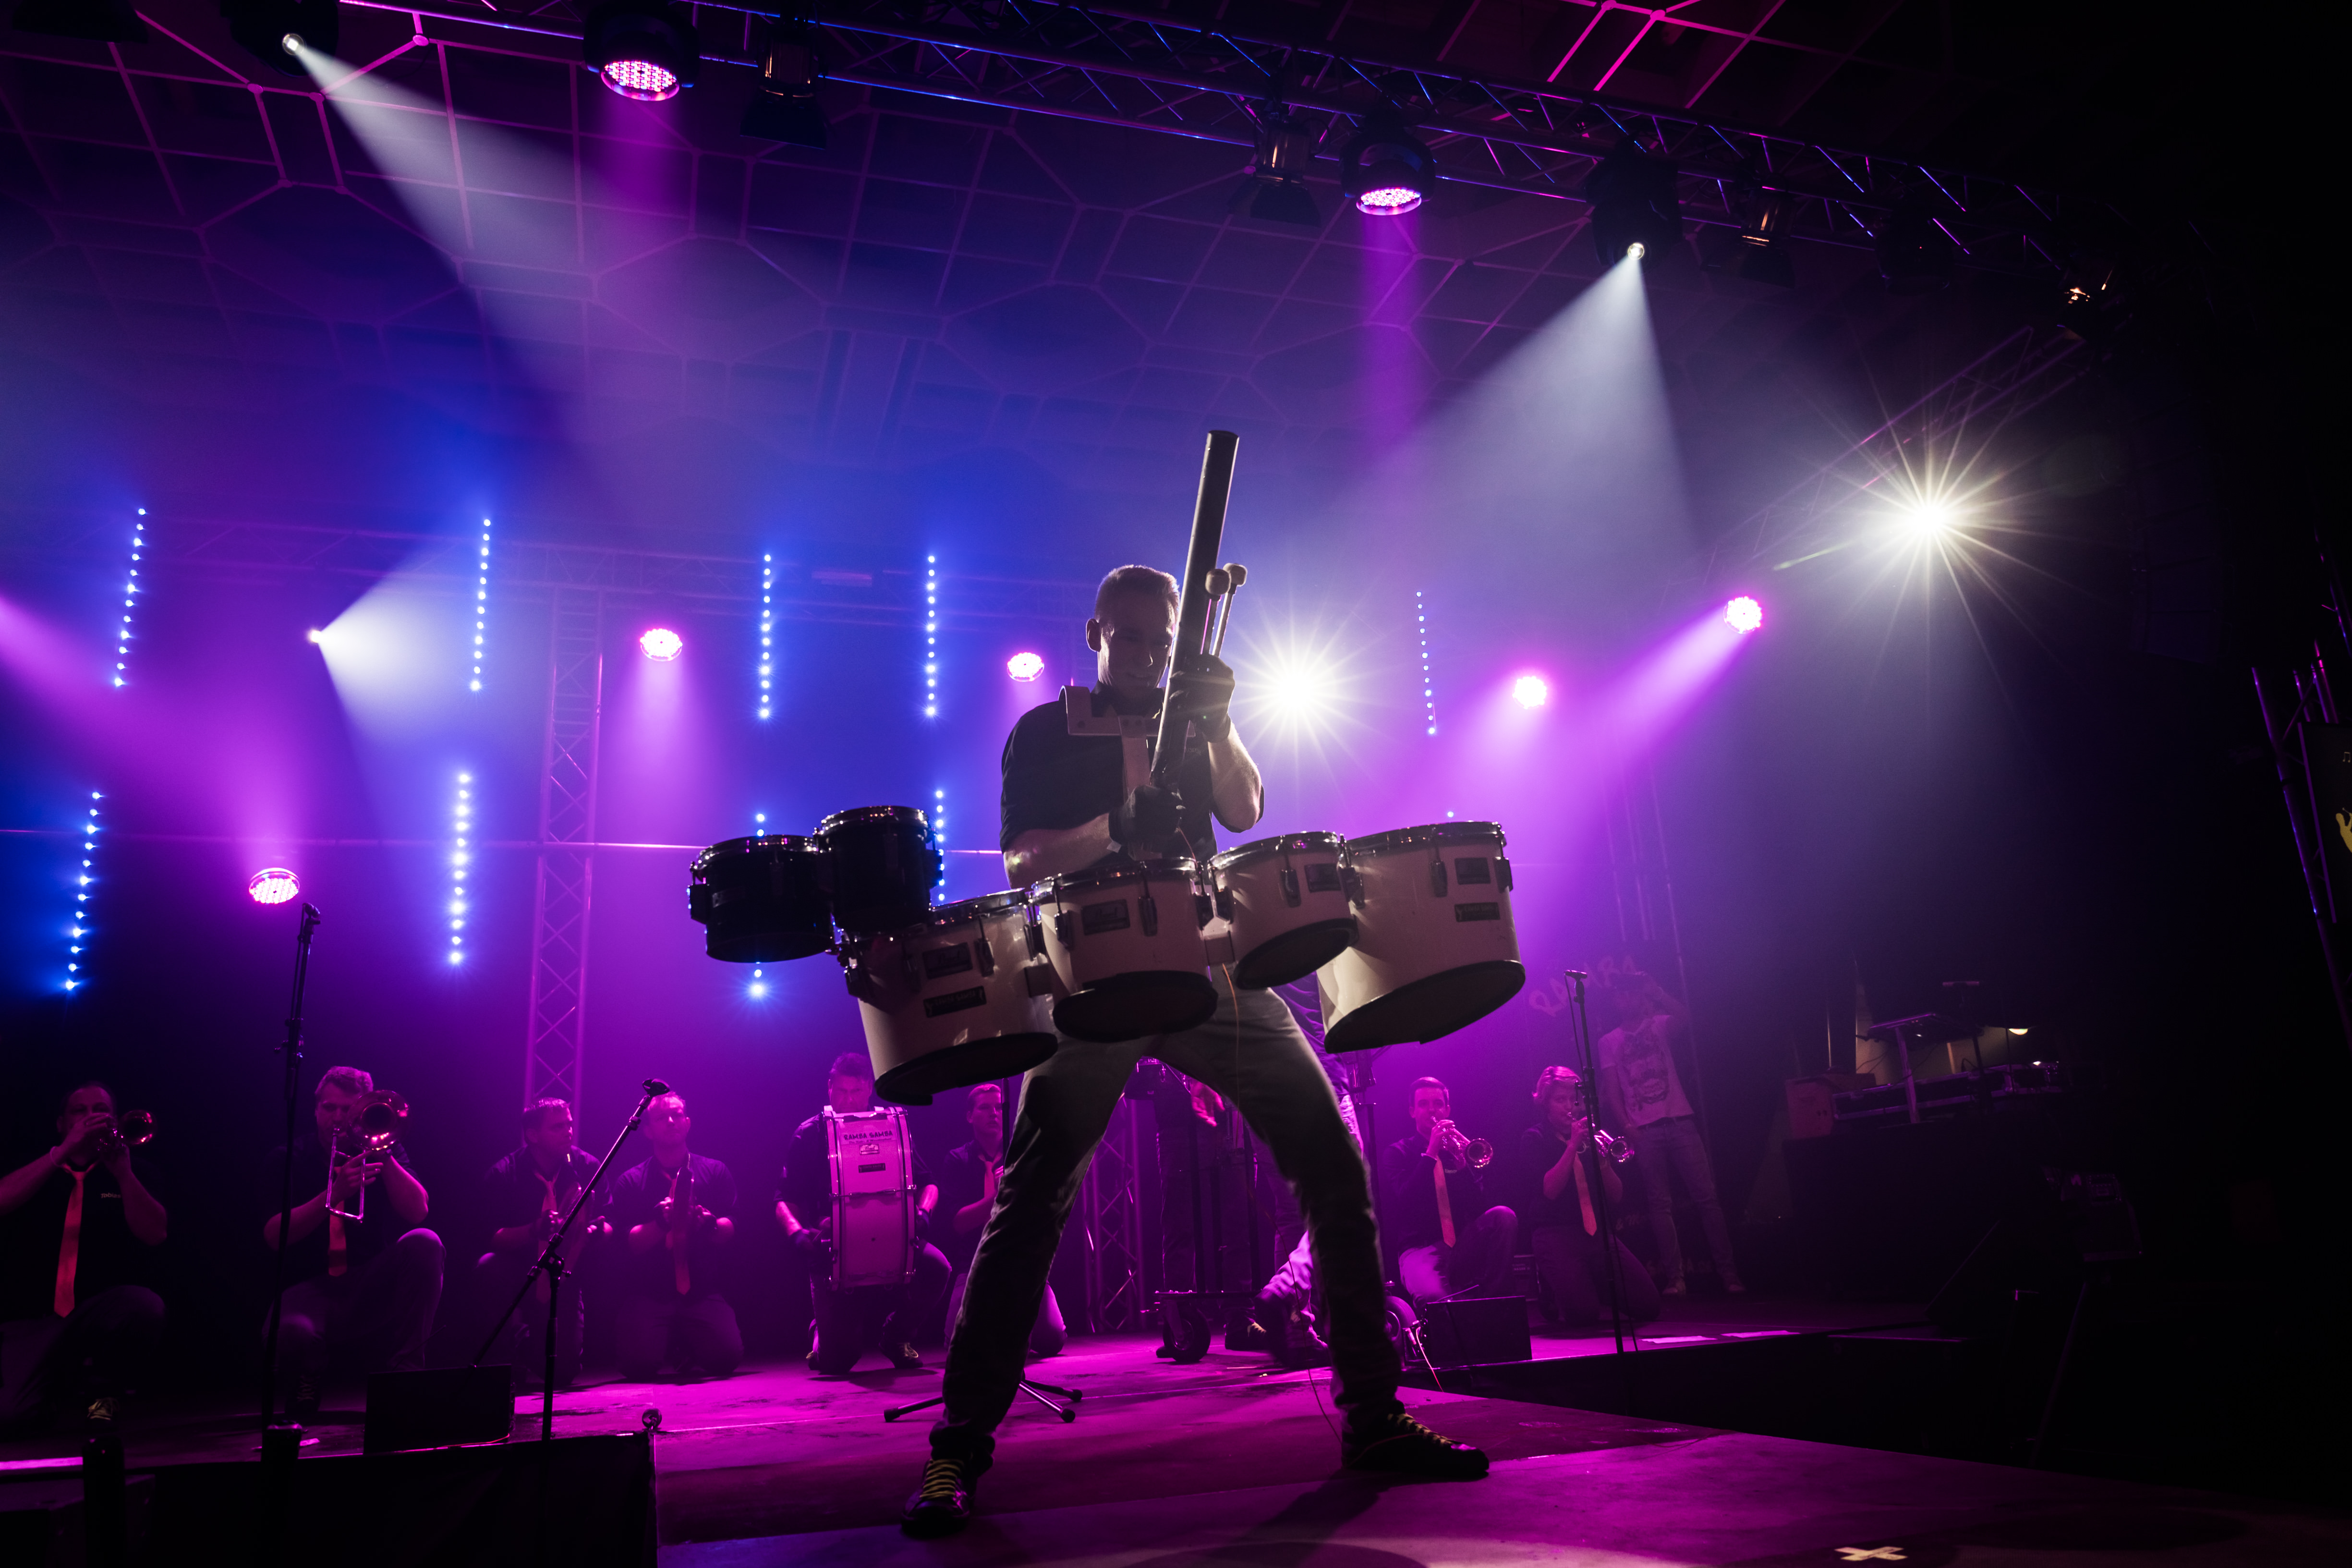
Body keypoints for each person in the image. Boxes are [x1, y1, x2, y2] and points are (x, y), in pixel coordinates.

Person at [903, 564, 1487, 1538]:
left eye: (1159, 639)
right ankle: (957, 1445)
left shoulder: (1190, 718)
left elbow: (1246, 808)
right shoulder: (1045, 730)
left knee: (1332, 1161)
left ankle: (1372, 1414)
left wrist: (1217, 721)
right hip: (1091, 979)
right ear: (1094, 634)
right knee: (1031, 1200)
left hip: (1209, 968)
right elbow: (1021, 858)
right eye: (1128, 637)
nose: (1144, 654)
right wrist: (1113, 828)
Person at [260, 1066, 443, 1422]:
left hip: (365, 1279)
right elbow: (273, 1235)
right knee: (290, 1333)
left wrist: (382, 1150)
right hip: (308, 1287)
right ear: (316, 1109)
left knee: (425, 1242)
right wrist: (334, 1192)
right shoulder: (288, 1157)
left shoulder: (386, 1151)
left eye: (348, 1110)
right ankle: (307, 1375)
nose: (338, 1118)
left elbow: (419, 1211)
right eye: (329, 1108)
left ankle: (406, 1377)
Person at [0, 1084, 167, 1432]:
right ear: (62, 1124)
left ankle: (104, 1392)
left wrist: (123, 1174)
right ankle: (56, 1390)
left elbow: (155, 1234)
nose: (92, 1117)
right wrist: (62, 1153)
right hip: (32, 1320)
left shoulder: (136, 1171)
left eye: (100, 1109)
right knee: (11, 1414)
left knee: (144, 1305)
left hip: (95, 1312)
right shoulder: (36, 1168)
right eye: (80, 1110)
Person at [776, 1053, 951, 1374]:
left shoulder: (891, 1127)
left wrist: (923, 1213)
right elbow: (783, 1199)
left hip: (892, 1239)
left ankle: (896, 1337)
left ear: (869, 1088)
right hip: (835, 1249)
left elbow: (929, 1183)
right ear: (829, 1087)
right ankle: (821, 1332)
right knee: (837, 1363)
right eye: (841, 1091)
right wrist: (797, 1233)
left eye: (856, 1091)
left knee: (938, 1268)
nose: (848, 1100)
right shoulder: (809, 1134)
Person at [1592, 959, 1743, 1296]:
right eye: (1620, 995)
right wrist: (1627, 1125)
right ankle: (1676, 1279)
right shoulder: (1609, 1041)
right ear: (1615, 1001)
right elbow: (1612, 1090)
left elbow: (1685, 1016)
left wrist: (1656, 991)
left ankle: (1729, 1274)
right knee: (1660, 1205)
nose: (1625, 999)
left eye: (1630, 993)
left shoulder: (1658, 1024)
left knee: (1707, 1199)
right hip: (1644, 1130)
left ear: (1638, 996)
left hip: (1680, 1121)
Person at [607, 1092, 742, 1382]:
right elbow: (628, 1243)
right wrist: (660, 1224)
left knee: (726, 1358)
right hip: (651, 1291)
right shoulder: (631, 1181)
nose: (671, 1122)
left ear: (688, 1123)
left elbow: (733, 1226)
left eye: (677, 1115)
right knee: (637, 1365)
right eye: (661, 1118)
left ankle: (688, 1346)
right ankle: (671, 1345)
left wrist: (709, 1225)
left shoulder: (714, 1171)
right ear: (647, 1131)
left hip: (700, 1289)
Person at [476, 1098, 606, 1390]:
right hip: (519, 1269)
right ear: (532, 1135)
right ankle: (510, 1342)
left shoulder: (588, 1167)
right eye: (557, 1127)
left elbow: (609, 1222)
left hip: (563, 1273)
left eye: (569, 1124)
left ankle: (530, 1345)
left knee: (561, 1374)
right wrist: (535, 1230)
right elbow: (491, 1237)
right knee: (488, 1266)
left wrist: (597, 1231)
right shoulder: (504, 1173)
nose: (568, 1132)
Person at [1515, 1067, 1660, 1327]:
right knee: (1583, 1315)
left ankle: (1589, 1284)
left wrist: (1604, 1163)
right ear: (1546, 1103)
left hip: (1597, 1235)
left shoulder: (1591, 1137)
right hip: (1555, 1233)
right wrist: (1572, 1145)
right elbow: (1550, 1191)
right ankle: (1555, 1286)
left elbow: (1616, 1196)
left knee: (1648, 1305)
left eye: (1573, 1100)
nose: (1569, 1106)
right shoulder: (1534, 1138)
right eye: (1560, 1100)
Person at [934, 1082, 1062, 1359]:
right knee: (959, 1344)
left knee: (1052, 1340)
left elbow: (1040, 1216)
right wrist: (996, 1198)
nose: (994, 1113)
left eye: (998, 1108)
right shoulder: (957, 1161)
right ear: (970, 1116)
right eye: (984, 1108)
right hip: (974, 1265)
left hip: (1022, 1262)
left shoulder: (1023, 1154)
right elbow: (958, 1224)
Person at [1379, 1077, 1517, 1305]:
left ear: (1447, 1110)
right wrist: (1431, 1153)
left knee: (1504, 1216)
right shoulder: (1398, 1153)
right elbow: (1407, 1201)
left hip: (1461, 1244)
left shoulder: (1457, 1151)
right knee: (1435, 1301)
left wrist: (1464, 1170)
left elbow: (1479, 1207)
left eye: (1438, 1104)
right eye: (1423, 1104)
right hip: (1420, 1248)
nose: (1432, 1110)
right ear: (1412, 1112)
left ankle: (1494, 1303)